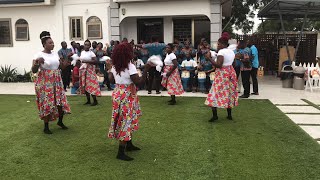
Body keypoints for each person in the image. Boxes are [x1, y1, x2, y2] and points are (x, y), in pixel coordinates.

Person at [107, 43, 152, 161]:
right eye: (131, 51)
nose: (133, 53)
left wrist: (109, 70)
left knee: (126, 118)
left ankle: (129, 144)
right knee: (126, 120)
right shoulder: (130, 66)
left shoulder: (115, 65)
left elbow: (111, 80)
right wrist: (146, 69)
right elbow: (139, 82)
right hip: (127, 95)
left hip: (118, 93)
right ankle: (120, 152)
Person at [32, 31, 70, 134]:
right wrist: (37, 62)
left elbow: (61, 67)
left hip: (57, 81)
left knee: (60, 102)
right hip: (45, 82)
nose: (52, 44)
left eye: (53, 43)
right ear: (44, 44)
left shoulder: (55, 54)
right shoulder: (38, 54)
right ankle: (46, 126)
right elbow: (34, 70)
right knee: (47, 103)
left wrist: (67, 59)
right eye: (50, 43)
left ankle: (60, 122)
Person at [204, 34, 238, 121]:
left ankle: (215, 116)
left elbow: (219, 65)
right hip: (230, 73)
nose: (217, 46)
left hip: (222, 75)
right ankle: (229, 115)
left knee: (214, 93)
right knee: (229, 93)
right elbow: (233, 64)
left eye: (218, 44)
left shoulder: (221, 52)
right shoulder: (231, 52)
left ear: (223, 44)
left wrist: (209, 58)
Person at [79, 40, 101, 106]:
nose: (86, 46)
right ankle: (88, 100)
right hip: (83, 70)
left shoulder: (91, 53)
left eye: (88, 45)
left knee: (91, 84)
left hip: (90, 70)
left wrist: (86, 61)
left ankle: (95, 100)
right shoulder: (82, 52)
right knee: (85, 85)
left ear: (90, 46)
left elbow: (95, 61)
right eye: (85, 44)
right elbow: (81, 60)